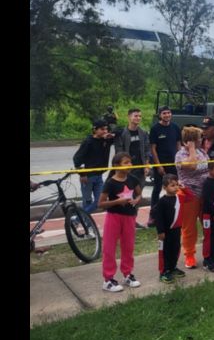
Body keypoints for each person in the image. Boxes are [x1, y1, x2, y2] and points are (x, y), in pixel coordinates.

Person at [98, 152, 142, 292]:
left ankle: (127, 274)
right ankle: (108, 279)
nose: (129, 165)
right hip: (114, 217)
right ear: (116, 166)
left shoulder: (133, 179)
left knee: (128, 246)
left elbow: (139, 194)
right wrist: (117, 201)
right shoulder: (110, 182)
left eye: (130, 162)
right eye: (126, 163)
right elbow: (101, 203)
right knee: (109, 248)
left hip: (129, 217)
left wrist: (136, 200)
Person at [175, 126, 210, 269]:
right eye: (199, 138)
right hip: (189, 195)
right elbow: (193, 166)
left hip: (205, 194)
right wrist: (191, 149)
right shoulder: (180, 155)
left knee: (208, 224)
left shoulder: (202, 152)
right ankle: (189, 254)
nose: (202, 140)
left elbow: (208, 167)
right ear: (191, 141)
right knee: (189, 227)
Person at [148, 106, 182, 227]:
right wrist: (158, 165)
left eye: (168, 113)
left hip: (174, 165)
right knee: (157, 189)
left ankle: (174, 213)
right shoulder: (155, 129)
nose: (167, 115)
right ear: (160, 115)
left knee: (175, 189)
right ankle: (153, 216)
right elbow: (153, 148)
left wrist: (180, 160)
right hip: (161, 165)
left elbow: (178, 145)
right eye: (164, 113)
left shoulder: (175, 127)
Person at [151, 174, 188, 284]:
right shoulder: (162, 201)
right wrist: (160, 231)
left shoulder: (179, 197)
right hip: (166, 232)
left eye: (177, 185)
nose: (176, 187)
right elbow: (158, 217)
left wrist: (183, 188)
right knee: (165, 252)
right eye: (172, 185)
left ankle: (172, 267)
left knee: (175, 249)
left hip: (177, 230)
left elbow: (190, 197)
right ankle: (163, 272)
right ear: (164, 187)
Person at [73, 119, 115, 213]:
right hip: (88, 177)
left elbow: (121, 131)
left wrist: (112, 134)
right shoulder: (88, 142)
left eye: (106, 129)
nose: (105, 131)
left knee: (99, 201)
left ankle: (76, 220)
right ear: (95, 129)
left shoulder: (106, 140)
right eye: (102, 129)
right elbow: (77, 159)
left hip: (99, 176)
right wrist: (82, 174)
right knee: (87, 201)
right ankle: (85, 224)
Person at [114, 108, 152, 193]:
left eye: (140, 116)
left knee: (138, 193)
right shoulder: (122, 134)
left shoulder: (143, 133)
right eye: (136, 116)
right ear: (129, 117)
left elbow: (147, 150)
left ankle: (136, 206)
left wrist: (147, 165)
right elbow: (119, 152)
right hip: (127, 169)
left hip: (140, 168)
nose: (138, 118)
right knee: (126, 193)